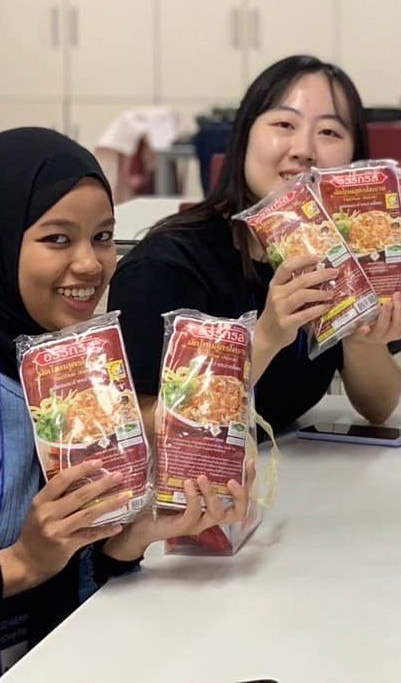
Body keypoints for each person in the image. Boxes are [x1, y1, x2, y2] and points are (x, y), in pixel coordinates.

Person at [0, 128, 249, 671]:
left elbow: (73, 591)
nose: (91, 264)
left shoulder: (72, 374)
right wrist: (22, 561)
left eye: (103, 236)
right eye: (58, 239)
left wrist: (128, 539)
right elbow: (34, 567)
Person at [109, 56, 401, 436]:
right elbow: (137, 427)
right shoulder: (166, 267)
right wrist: (266, 337)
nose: (304, 149)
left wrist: (361, 339)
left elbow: (379, 407)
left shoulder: (343, 254)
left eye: (329, 132)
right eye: (284, 124)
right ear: (243, 137)